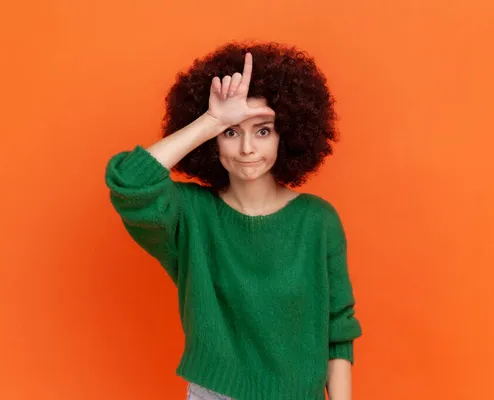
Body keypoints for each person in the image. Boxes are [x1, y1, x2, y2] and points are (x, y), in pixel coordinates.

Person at [105, 41, 363, 400]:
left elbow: (338, 332)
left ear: (286, 135)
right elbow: (130, 181)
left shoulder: (318, 221)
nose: (247, 149)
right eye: (231, 132)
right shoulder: (192, 216)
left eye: (263, 130)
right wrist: (212, 120)